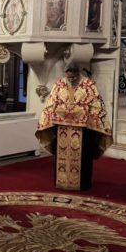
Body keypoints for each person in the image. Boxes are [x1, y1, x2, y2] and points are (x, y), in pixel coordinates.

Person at [36, 63, 112, 191]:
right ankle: (62, 181)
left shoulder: (89, 85)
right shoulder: (59, 84)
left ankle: (82, 183)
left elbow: (97, 106)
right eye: (69, 77)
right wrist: (59, 111)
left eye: (74, 77)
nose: (71, 80)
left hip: (83, 131)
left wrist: (81, 111)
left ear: (78, 73)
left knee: (83, 157)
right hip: (62, 129)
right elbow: (51, 103)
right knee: (62, 155)